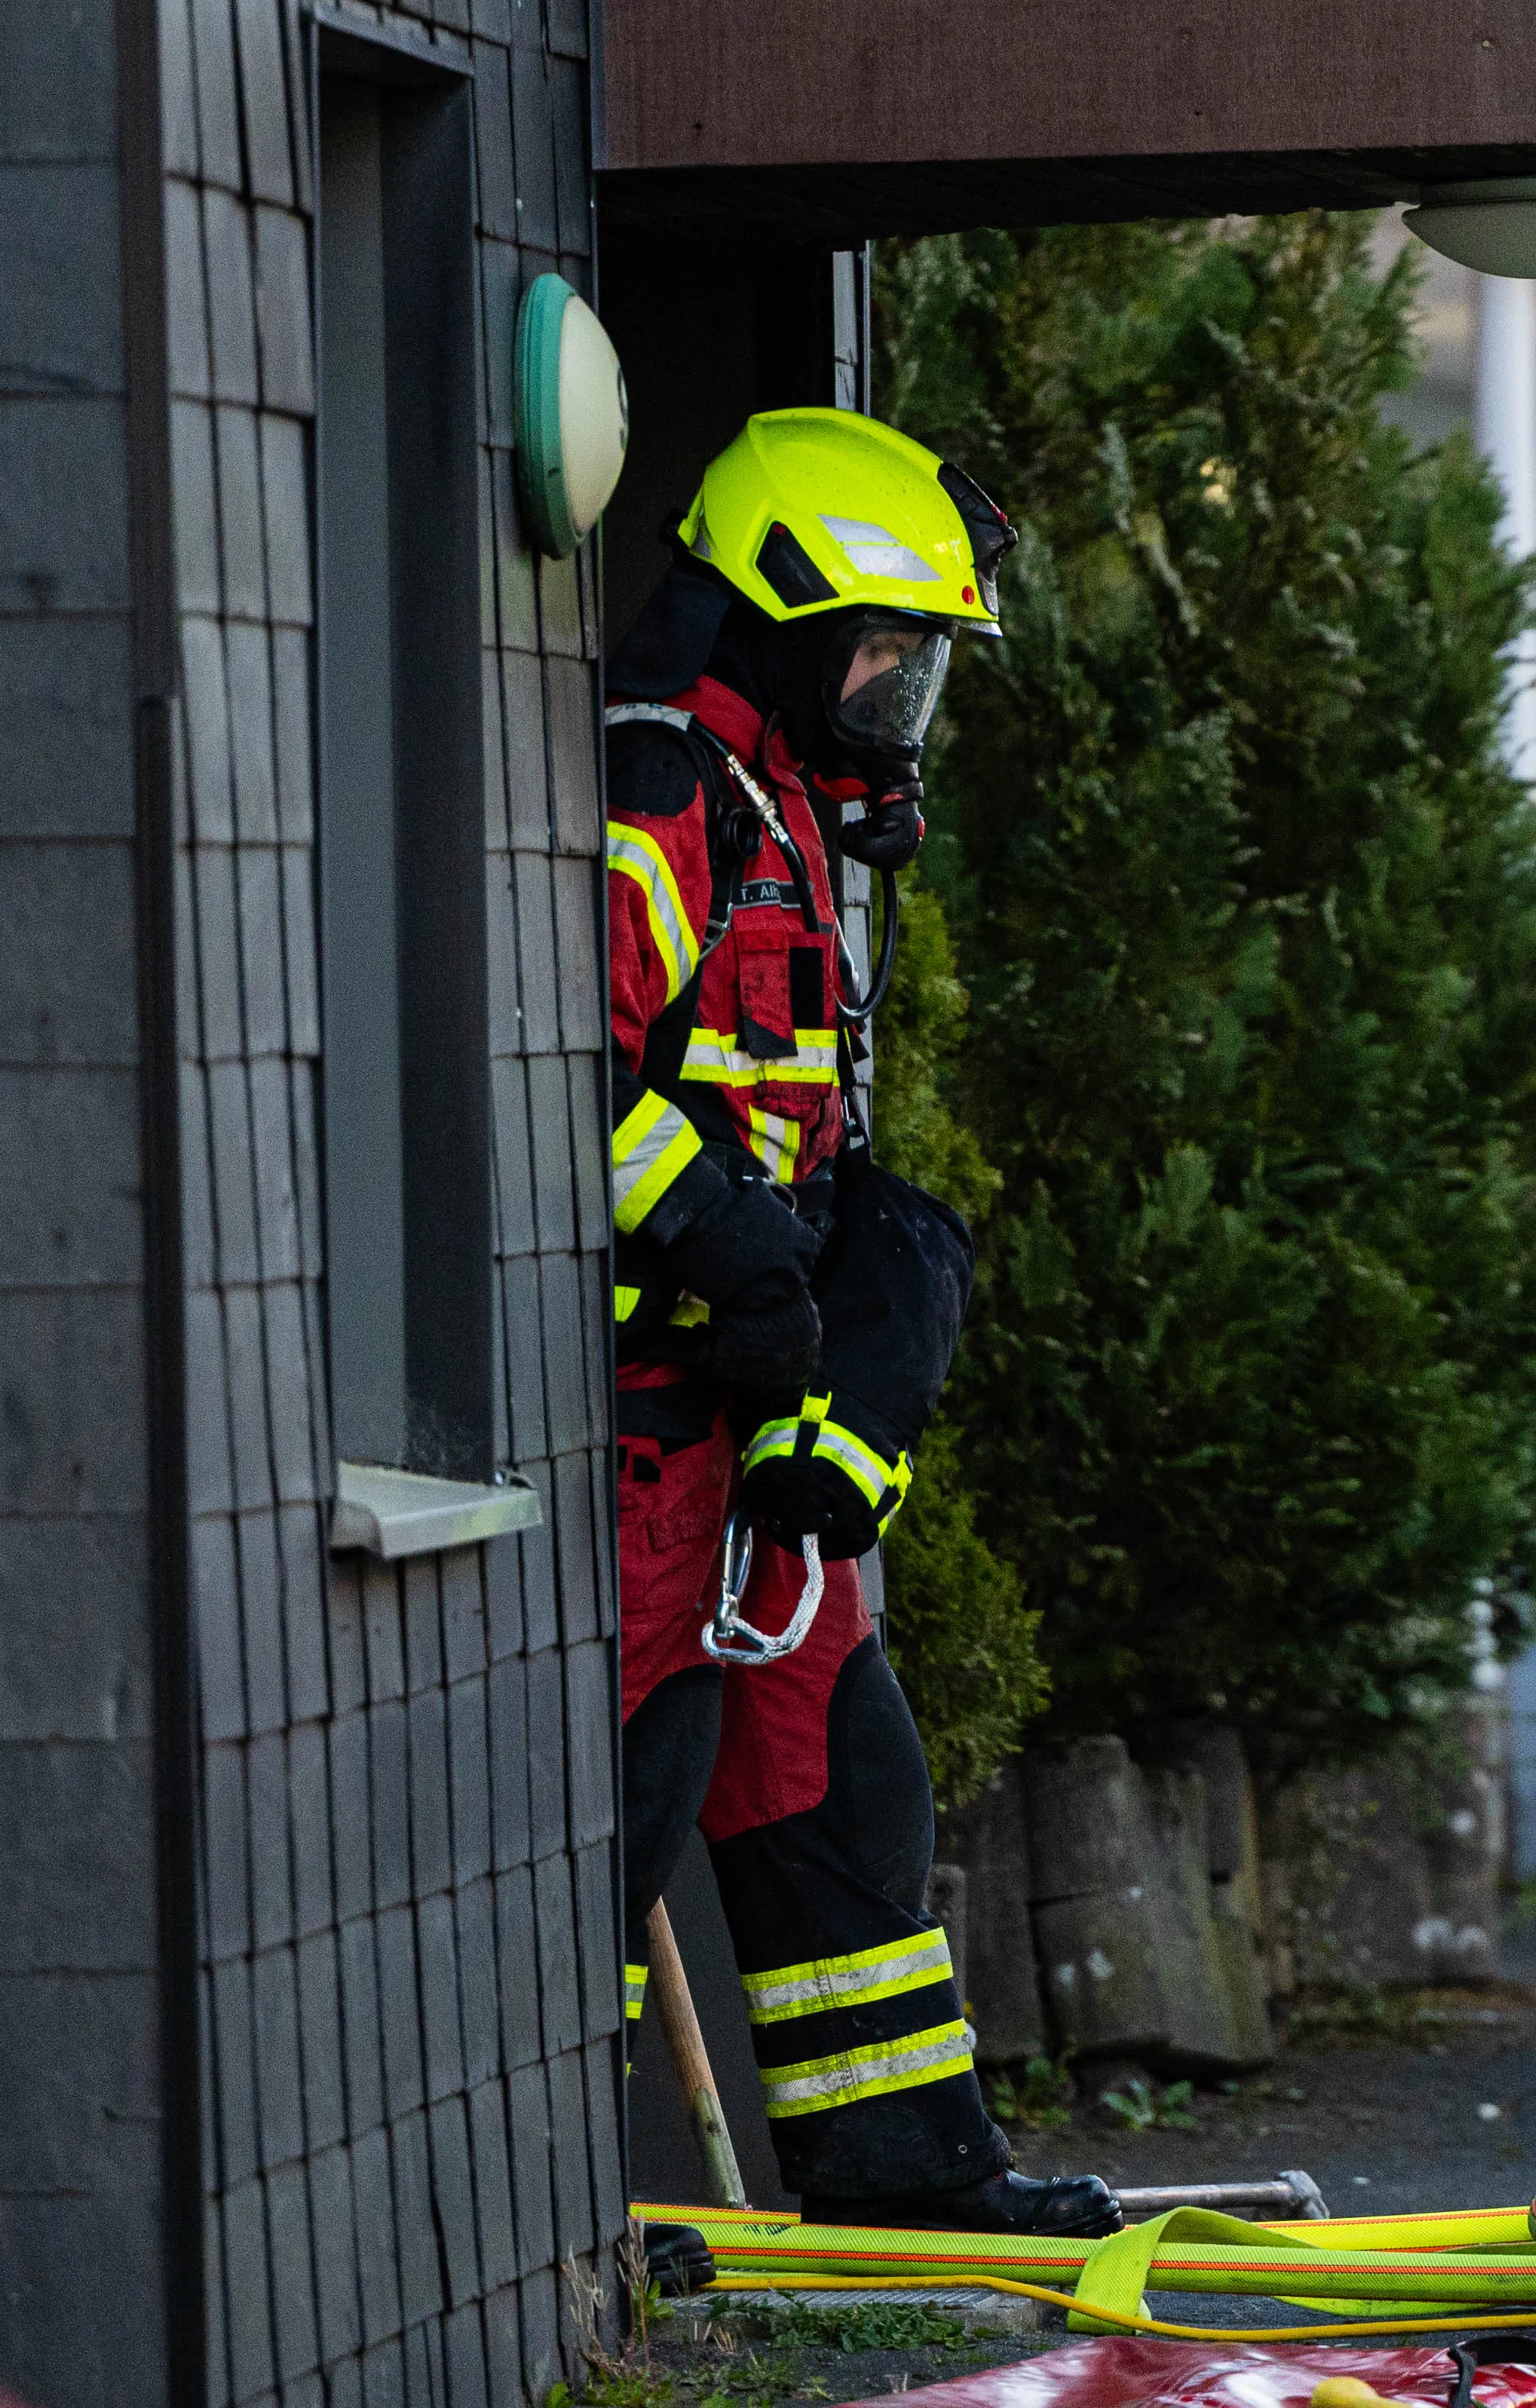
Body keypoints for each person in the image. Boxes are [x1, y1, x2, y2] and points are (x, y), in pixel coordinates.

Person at [605, 408, 1116, 2244]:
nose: (899, 698)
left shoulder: (783, 824)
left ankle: (908, 2185)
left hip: (739, 1430)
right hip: (645, 1426)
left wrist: (845, 1308)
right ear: (781, 619)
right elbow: (565, 1087)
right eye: (885, 655)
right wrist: (742, 1253)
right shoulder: (660, 798)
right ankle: (563, 2212)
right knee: (628, 1804)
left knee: (841, 1778)